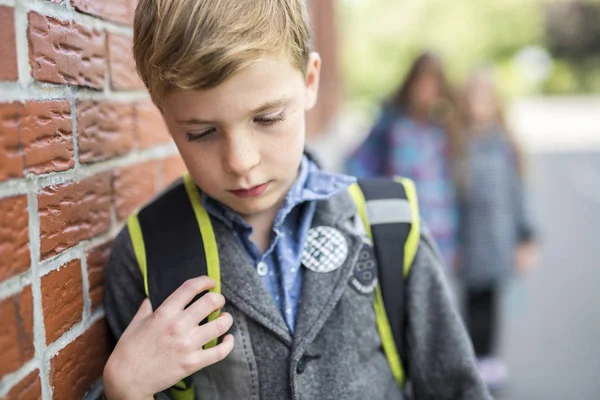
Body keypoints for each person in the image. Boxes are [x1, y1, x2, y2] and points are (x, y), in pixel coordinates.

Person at [101, 1, 491, 399]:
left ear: (309, 81)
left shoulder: (388, 225)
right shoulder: (148, 253)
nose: (241, 162)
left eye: (267, 119)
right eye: (201, 132)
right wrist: (125, 390)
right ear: (164, 114)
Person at [458, 69, 538, 391]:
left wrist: (526, 237)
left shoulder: (505, 145)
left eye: (485, 98)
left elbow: (518, 196)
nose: (480, 105)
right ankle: (471, 357)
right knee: (469, 301)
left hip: (497, 238)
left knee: (490, 300)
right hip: (468, 238)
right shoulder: (458, 143)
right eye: (474, 98)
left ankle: (487, 358)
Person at [345, 53, 462, 270]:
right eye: (421, 83)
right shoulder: (392, 123)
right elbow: (357, 162)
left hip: (440, 231)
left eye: (433, 85)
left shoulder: (443, 126)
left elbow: (451, 183)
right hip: (400, 224)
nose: (426, 92)